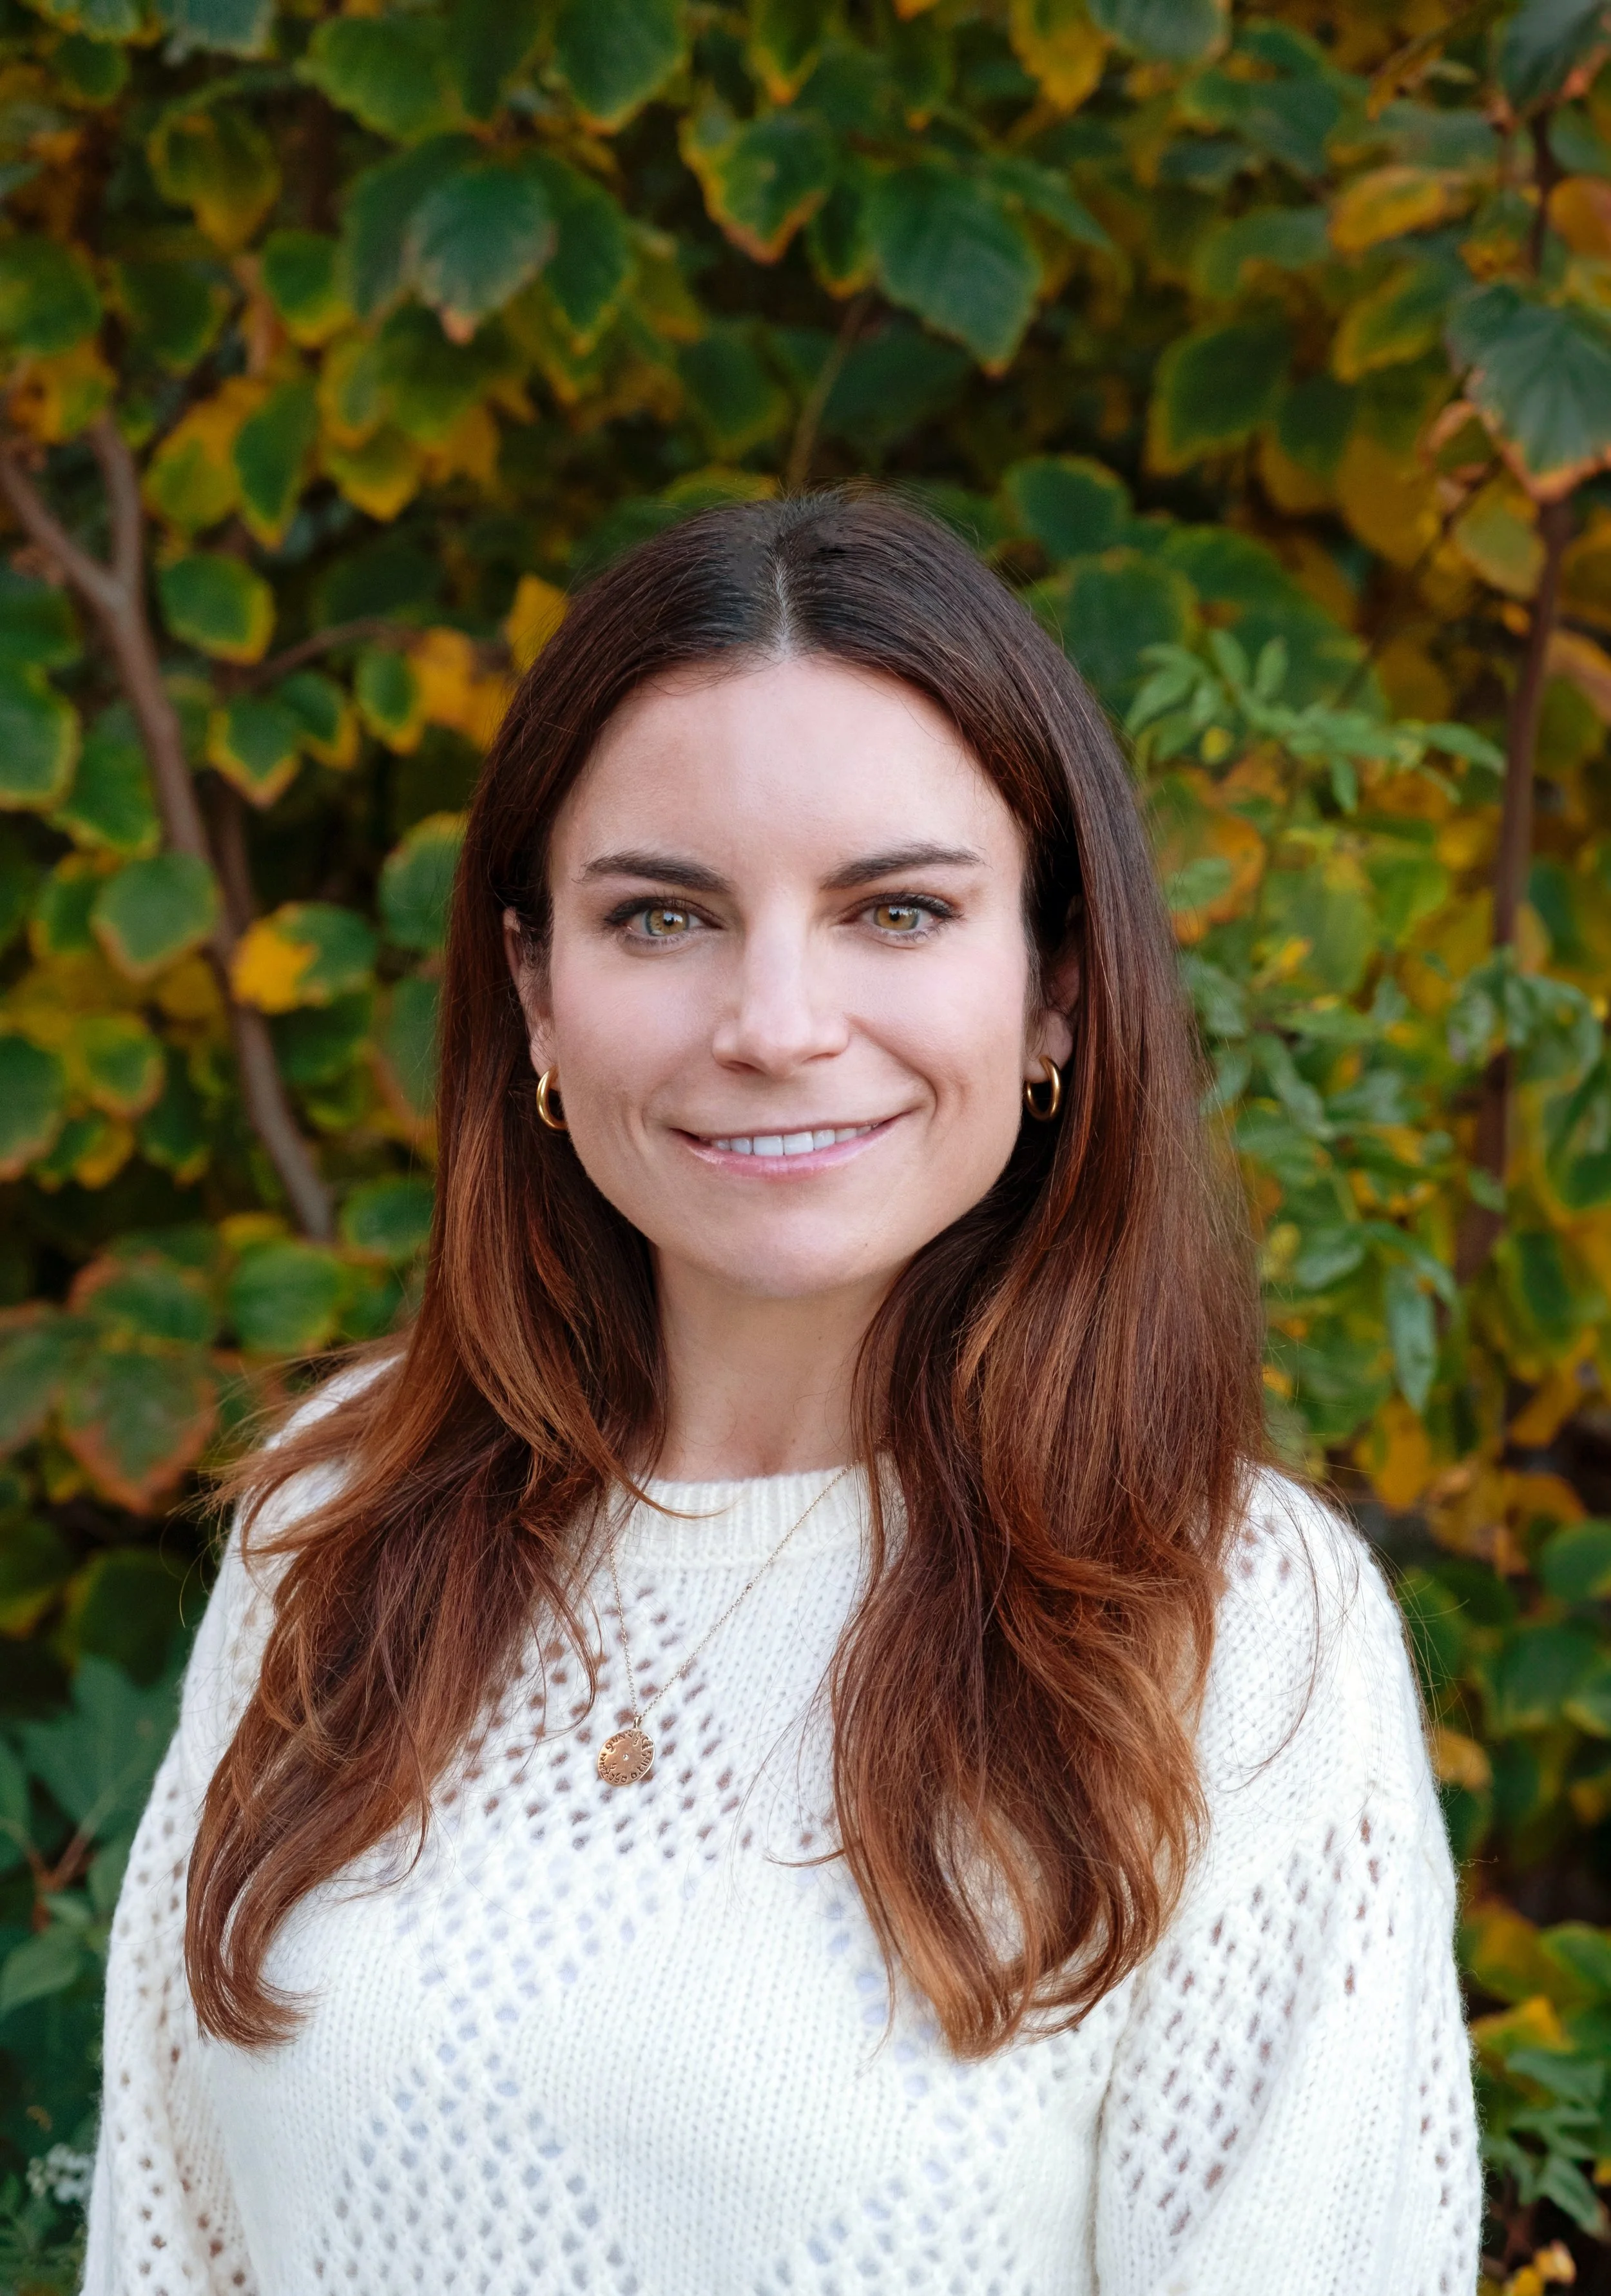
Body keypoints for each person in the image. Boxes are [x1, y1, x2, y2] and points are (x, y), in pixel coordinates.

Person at [82, 491, 1481, 2295]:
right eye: (663, 919)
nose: (775, 1021)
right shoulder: (331, 1523)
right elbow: (168, 2243)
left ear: (1055, 983)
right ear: (535, 991)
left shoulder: (1226, 1633)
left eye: (895, 910)